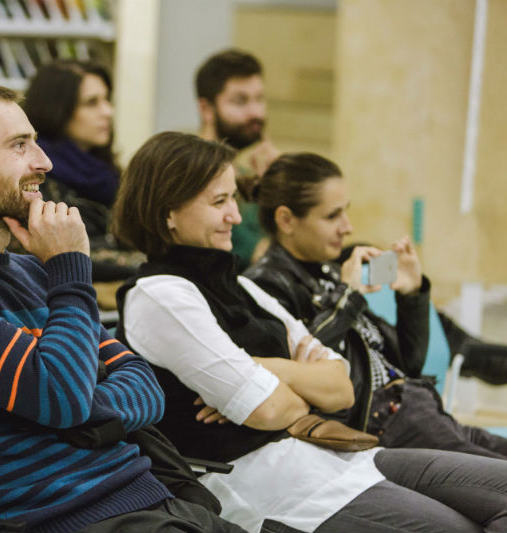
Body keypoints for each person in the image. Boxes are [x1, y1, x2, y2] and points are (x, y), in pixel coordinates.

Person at [0, 82, 245, 533]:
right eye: (19, 145)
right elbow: (61, 398)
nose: (43, 162)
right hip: (65, 521)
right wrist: (70, 268)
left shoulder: (32, 273)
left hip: (151, 502)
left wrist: (82, 412)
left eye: (36, 142)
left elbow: (146, 387)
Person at [112, 131, 507, 533]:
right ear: (167, 214)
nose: (235, 214)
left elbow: (342, 386)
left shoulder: (241, 285)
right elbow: (268, 409)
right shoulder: (161, 295)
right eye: (219, 202)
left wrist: (260, 371)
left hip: (333, 452)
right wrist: (292, 389)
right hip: (268, 483)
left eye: (234, 197)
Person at [241, 152, 507, 459]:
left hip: (417, 405)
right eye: (332, 216)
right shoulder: (265, 286)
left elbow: (411, 363)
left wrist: (411, 295)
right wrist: (347, 297)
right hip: (384, 424)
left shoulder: (327, 271)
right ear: (286, 220)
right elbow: (301, 367)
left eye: (346, 212)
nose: (347, 226)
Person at [23, 60, 144, 286]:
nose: (107, 112)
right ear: (57, 110)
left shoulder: (108, 171)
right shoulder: (35, 178)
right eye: (91, 103)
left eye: (107, 100)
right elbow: (72, 251)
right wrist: (150, 264)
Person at [195, 49, 280, 270]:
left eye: (259, 99)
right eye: (240, 101)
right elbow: (263, 256)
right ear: (206, 109)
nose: (256, 113)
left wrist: (276, 185)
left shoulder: (245, 172)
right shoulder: (194, 173)